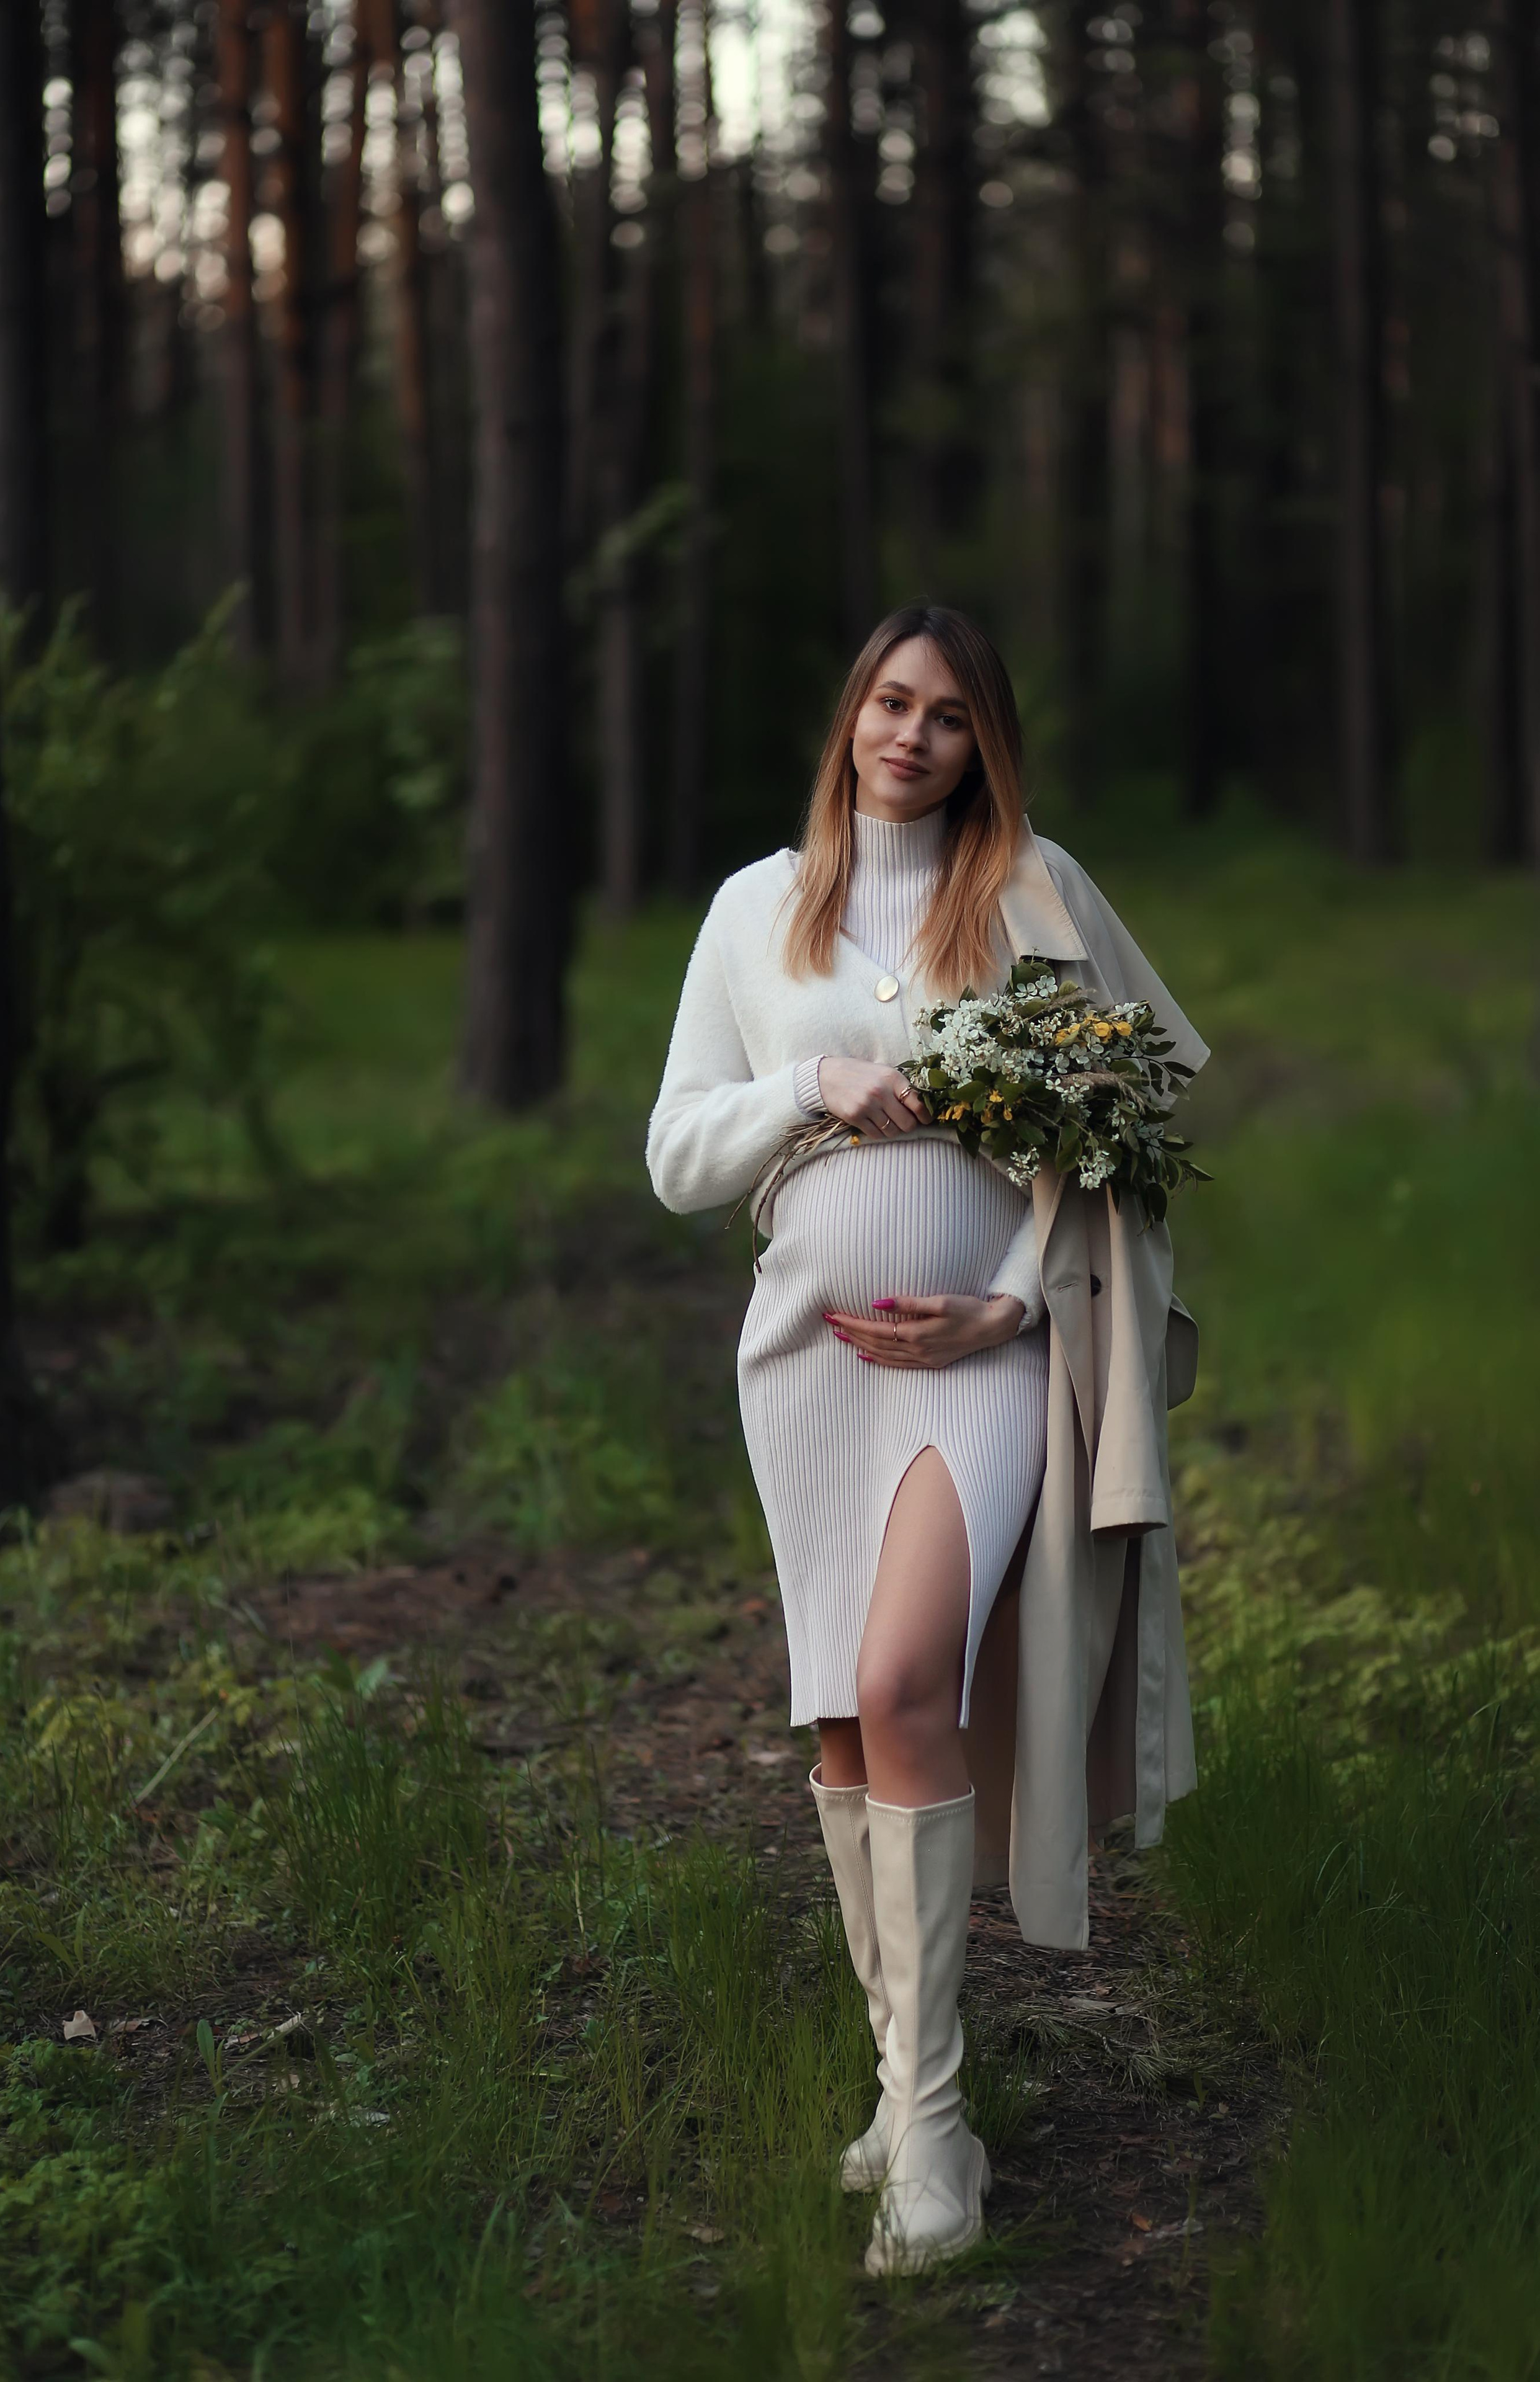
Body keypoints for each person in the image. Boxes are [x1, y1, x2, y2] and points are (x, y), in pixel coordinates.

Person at [646, 604, 1208, 2278]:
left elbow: (1139, 1127)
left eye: (949, 717)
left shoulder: (1035, 893)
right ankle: (901, 2088)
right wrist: (807, 1084)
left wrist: (1019, 1308)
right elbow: (676, 1153)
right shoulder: (759, 912)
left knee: (903, 1689)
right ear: (850, 716)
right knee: (843, 1725)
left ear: (986, 744)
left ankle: (943, 2130)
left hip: (988, 1354)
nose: (910, 736)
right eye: (891, 702)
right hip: (808, 1369)